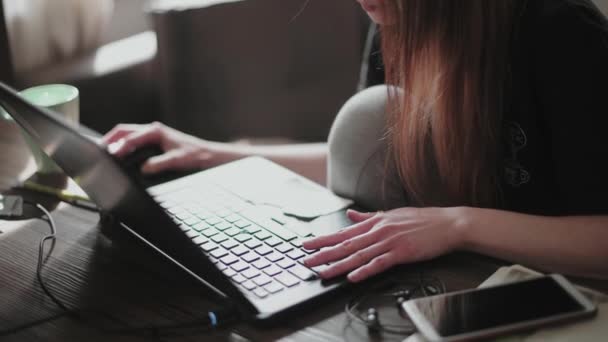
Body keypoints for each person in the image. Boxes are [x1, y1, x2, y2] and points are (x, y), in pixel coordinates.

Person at [103, 0, 608, 284]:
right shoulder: (394, 17)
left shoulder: (558, 30)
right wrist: (211, 153)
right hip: (452, 283)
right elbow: (361, 152)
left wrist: (458, 224)